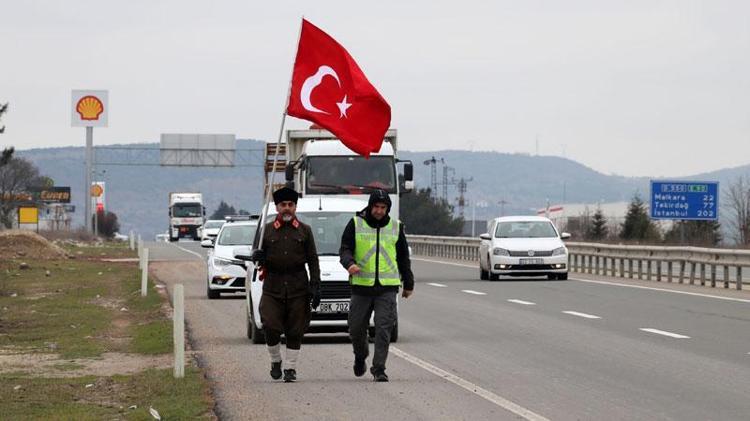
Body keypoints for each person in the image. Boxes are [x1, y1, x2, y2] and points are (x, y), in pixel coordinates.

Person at [339, 189, 414, 382]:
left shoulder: (396, 227)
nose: (379, 211)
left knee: (383, 329)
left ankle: (379, 368)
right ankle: (360, 355)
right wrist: (349, 264)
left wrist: (408, 283)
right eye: (376, 207)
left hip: (387, 288)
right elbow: (345, 249)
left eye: (383, 207)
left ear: (387, 209)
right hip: (361, 287)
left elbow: (403, 258)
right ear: (370, 206)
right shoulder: (356, 224)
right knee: (356, 329)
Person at [252, 186, 321, 383]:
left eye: (291, 205)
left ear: (295, 207)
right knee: (270, 325)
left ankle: (290, 368)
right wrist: (258, 256)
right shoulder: (266, 231)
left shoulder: (305, 231)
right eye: (283, 205)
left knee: (295, 329)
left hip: (298, 286)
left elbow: (313, 260)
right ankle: (275, 360)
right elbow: (255, 257)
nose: (287, 208)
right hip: (272, 286)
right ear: (277, 207)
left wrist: (316, 286)